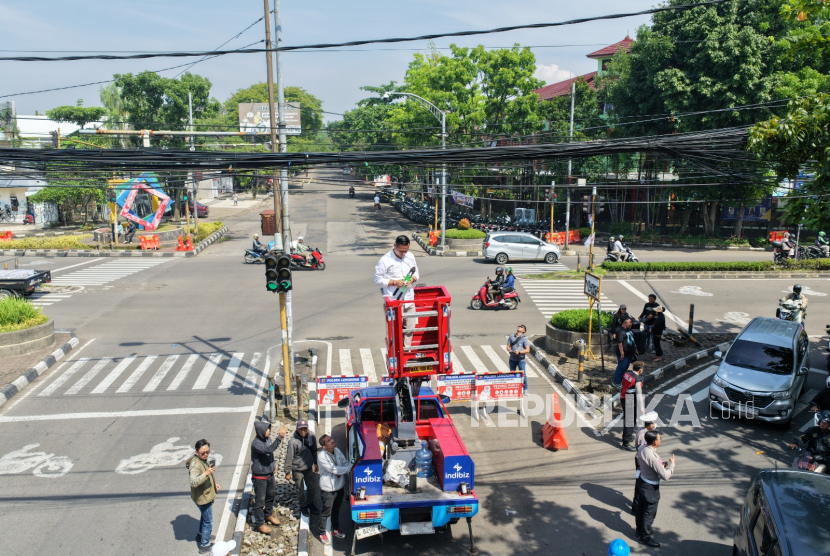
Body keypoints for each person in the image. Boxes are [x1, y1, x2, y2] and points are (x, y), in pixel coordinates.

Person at [374, 236, 419, 348]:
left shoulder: (410, 256)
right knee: (395, 328)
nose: (403, 253)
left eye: (406, 251)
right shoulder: (385, 260)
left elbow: (416, 272)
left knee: (410, 327)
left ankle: (406, 350)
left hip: (408, 298)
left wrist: (412, 279)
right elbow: (377, 279)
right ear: (395, 245)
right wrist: (394, 282)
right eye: (401, 251)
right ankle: (396, 351)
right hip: (394, 300)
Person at [635, 430, 675, 548]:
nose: (660, 439)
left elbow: (652, 464)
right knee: (649, 513)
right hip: (650, 488)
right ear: (654, 442)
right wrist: (672, 464)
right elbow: (665, 475)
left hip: (642, 481)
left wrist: (663, 464)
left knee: (641, 509)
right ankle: (645, 537)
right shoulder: (651, 456)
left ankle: (639, 530)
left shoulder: (642, 448)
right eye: (659, 438)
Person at [313, 434, 352, 546]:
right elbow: (334, 469)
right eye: (329, 441)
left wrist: (348, 465)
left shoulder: (337, 451)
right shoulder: (322, 457)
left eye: (331, 439)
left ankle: (335, 529)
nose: (332, 441)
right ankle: (321, 533)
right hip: (328, 490)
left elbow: (344, 462)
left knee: (336, 509)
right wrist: (350, 468)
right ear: (324, 446)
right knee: (326, 512)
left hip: (339, 487)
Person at [250, 421, 288, 534]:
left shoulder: (268, 440)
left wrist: (273, 464)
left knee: (270, 496)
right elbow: (268, 450)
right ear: (261, 431)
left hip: (269, 474)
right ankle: (260, 523)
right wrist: (280, 437)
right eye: (267, 430)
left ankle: (268, 514)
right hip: (260, 477)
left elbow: (270, 454)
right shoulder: (256, 444)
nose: (269, 431)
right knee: (259, 501)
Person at [186, 439, 221, 554]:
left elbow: (206, 476)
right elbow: (194, 482)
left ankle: (201, 535)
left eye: (207, 452)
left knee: (204, 516)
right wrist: (206, 473)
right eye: (203, 453)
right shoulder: (195, 465)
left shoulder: (202, 460)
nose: (206, 454)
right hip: (203, 498)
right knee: (208, 521)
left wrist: (213, 484)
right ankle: (205, 544)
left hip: (204, 495)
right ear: (196, 452)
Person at [284, 419, 319, 518]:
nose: (303, 431)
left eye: (305, 429)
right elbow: (289, 457)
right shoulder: (293, 442)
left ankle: (310, 503)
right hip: (297, 469)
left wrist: (316, 463)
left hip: (308, 467)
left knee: (311, 486)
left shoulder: (311, 436)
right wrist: (287, 471)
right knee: (300, 488)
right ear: (297, 429)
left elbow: (314, 450)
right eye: (301, 429)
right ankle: (303, 505)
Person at [630, 412, 658, 515]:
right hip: (642, 461)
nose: (655, 424)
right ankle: (636, 506)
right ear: (650, 424)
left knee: (640, 482)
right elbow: (644, 451)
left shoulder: (642, 429)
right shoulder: (644, 435)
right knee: (641, 483)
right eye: (654, 422)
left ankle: (636, 504)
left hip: (640, 459)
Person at [620, 361, 646, 452]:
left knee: (629, 419)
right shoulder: (637, 380)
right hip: (630, 400)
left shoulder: (627, 373)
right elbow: (639, 396)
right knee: (630, 422)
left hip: (623, 397)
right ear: (639, 370)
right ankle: (625, 443)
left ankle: (627, 436)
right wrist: (642, 409)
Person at [613, 317, 638, 388]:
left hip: (630, 353)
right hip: (624, 353)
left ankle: (621, 380)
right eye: (630, 322)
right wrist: (622, 353)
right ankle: (616, 382)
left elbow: (632, 339)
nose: (631, 324)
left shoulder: (629, 330)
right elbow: (619, 343)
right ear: (625, 323)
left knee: (625, 367)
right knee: (621, 367)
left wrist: (635, 347)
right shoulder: (621, 331)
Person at [507, 324, 530, 392]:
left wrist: (519, 352)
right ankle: (513, 388)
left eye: (521, 327)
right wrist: (510, 350)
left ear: (524, 331)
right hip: (512, 359)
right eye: (519, 326)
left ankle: (525, 388)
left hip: (521, 360)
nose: (519, 327)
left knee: (523, 374)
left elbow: (527, 350)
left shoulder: (524, 339)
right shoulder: (511, 336)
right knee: (512, 374)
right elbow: (508, 346)